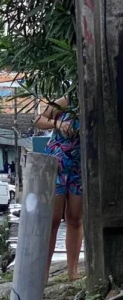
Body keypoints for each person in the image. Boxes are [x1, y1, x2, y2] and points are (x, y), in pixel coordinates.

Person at [35, 96, 83, 281]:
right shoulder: (67, 100)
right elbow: (39, 121)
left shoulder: (93, 99)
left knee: (75, 218)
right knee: (52, 219)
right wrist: (58, 123)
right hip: (58, 161)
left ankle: (73, 272)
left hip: (80, 164)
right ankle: (44, 273)